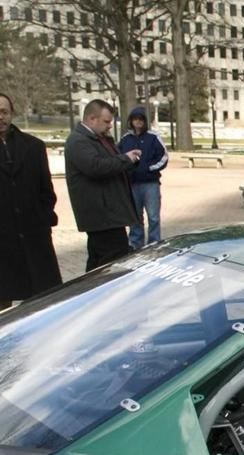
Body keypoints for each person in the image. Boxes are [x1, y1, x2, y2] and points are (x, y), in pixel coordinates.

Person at [0, 92, 62, 307]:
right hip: (3, 242)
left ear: (12, 113)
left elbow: (47, 191)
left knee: (42, 303)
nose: (0, 117)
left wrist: (43, 219)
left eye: (4, 112)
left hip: (34, 237)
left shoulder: (33, 146)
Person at [64, 99, 140, 271]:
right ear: (92, 119)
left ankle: (89, 288)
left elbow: (109, 163)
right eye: (106, 121)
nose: (110, 126)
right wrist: (126, 159)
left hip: (109, 214)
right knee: (112, 263)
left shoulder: (99, 139)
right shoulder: (78, 141)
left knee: (98, 263)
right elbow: (95, 167)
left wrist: (129, 160)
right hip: (102, 215)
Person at [117, 105, 169, 248]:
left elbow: (163, 157)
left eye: (141, 119)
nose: (138, 122)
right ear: (131, 121)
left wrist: (148, 168)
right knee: (135, 218)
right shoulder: (125, 139)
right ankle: (135, 245)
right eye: (135, 119)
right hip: (132, 183)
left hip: (150, 183)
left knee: (153, 217)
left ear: (145, 121)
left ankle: (154, 244)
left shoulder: (153, 137)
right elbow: (119, 158)